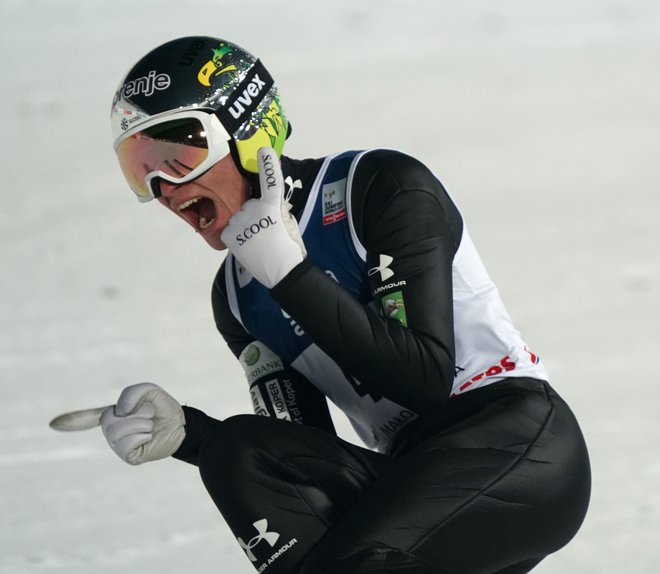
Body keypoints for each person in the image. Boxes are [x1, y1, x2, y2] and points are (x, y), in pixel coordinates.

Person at [101, 36, 591, 574]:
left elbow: (423, 379)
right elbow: (298, 458)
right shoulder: (236, 297)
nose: (164, 187)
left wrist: (289, 273)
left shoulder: (377, 186)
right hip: (411, 474)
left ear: (245, 132)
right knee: (238, 451)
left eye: (178, 155)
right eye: (140, 167)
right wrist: (192, 436)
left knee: (351, 562)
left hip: (515, 439)